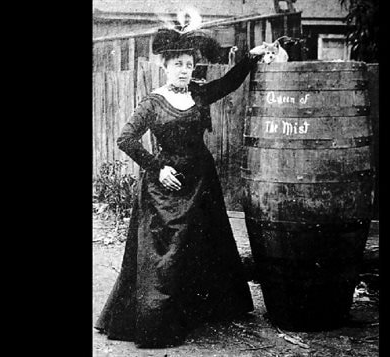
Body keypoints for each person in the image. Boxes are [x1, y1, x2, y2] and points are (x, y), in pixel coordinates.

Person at [94, 26, 267, 348]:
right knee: (166, 254)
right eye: (178, 65)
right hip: (166, 186)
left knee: (202, 247)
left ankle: (199, 312)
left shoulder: (199, 93)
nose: (185, 70)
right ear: (165, 66)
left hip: (201, 180)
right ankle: (158, 321)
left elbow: (229, 83)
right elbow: (125, 139)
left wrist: (249, 58)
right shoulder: (153, 103)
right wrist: (157, 168)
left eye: (189, 64)